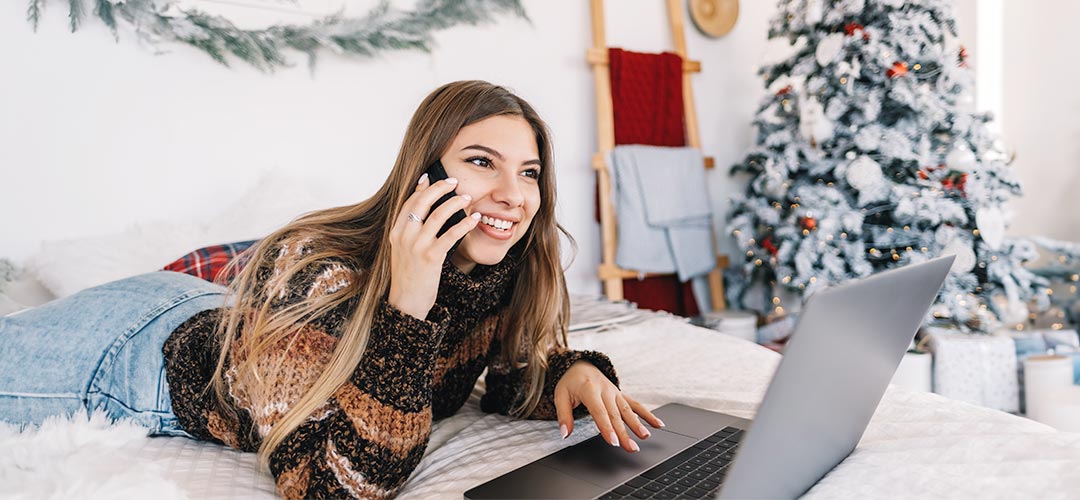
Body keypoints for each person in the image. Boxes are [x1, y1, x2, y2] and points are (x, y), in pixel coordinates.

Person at [0, 80, 663, 499]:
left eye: (529, 172)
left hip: (228, 317)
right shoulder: (325, 274)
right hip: (131, 354)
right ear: (425, 173)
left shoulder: (494, 274)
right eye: (481, 163)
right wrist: (407, 306)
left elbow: (503, 375)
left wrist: (567, 374)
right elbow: (334, 489)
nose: (513, 196)